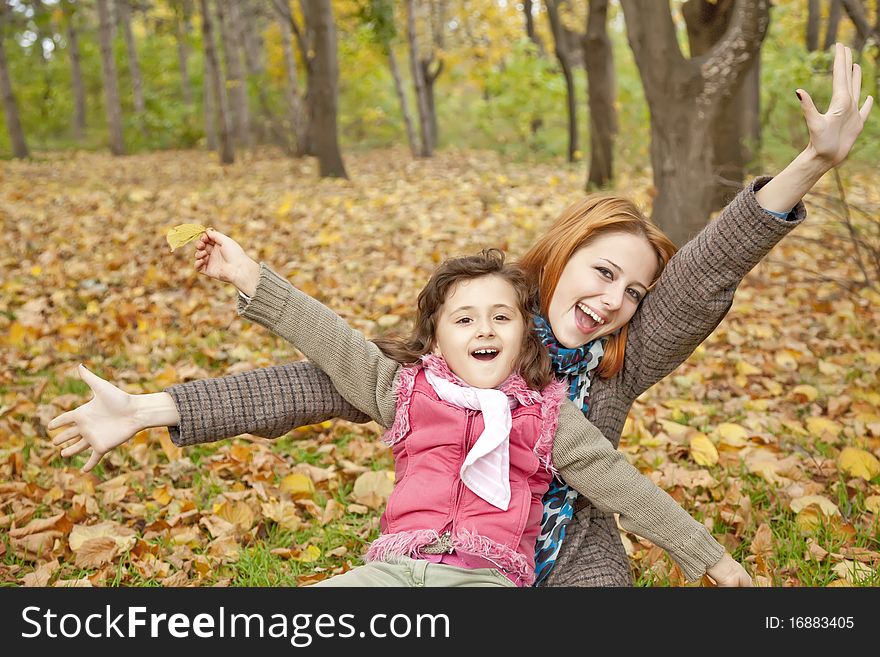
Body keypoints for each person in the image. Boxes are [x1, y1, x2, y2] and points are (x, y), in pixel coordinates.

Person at [48, 43, 872, 586]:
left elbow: (705, 271)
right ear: (560, 256)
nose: (614, 301)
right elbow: (310, 377)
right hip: (436, 555)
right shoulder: (468, 341)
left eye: (633, 292)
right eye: (603, 272)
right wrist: (152, 408)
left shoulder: (625, 350)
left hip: (568, 550)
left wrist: (810, 163)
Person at [55, 242, 750, 586]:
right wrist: (248, 275)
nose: (484, 329)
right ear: (438, 335)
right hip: (393, 569)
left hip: (485, 580)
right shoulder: (403, 388)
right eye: (465, 318)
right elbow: (327, 339)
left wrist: (711, 557)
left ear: (523, 333)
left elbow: (623, 485)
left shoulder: (546, 416)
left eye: (501, 318)